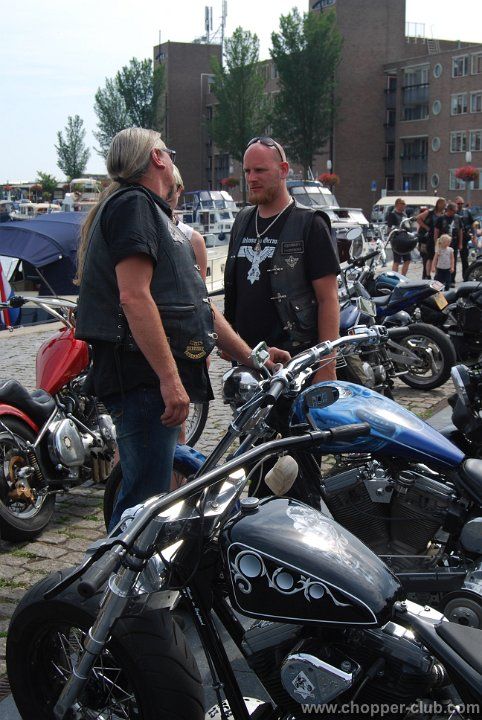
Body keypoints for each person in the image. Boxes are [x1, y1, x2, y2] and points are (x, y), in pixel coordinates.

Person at [75, 128, 289, 530]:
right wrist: (169, 379)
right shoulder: (134, 205)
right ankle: (114, 570)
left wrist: (255, 358)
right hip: (141, 381)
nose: (173, 159)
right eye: (168, 152)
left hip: (146, 382)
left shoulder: (153, 214)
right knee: (142, 503)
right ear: (157, 158)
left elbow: (199, 308)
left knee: (148, 495)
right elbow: (134, 297)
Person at [224, 136, 340, 384]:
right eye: (247, 171)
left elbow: (328, 298)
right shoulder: (242, 220)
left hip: (295, 359)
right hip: (248, 359)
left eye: (260, 170)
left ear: (283, 170)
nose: (251, 178)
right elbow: (234, 287)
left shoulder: (310, 223)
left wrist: (327, 366)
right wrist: (230, 338)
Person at [169, 165, 208, 280]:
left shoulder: (194, 240)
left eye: (169, 188)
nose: (162, 193)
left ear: (179, 190)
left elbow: (199, 288)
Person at [415, 197, 446, 280]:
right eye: (443, 204)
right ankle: (426, 276)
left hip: (439, 238)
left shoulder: (444, 214)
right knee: (427, 258)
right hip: (428, 239)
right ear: (438, 204)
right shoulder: (430, 212)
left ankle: (437, 276)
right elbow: (418, 218)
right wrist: (426, 227)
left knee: (438, 258)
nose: (445, 205)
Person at [433, 201, 462, 287]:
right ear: (449, 210)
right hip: (442, 244)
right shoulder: (441, 218)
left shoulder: (457, 218)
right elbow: (436, 231)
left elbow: (460, 231)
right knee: (440, 260)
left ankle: (451, 280)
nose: (455, 212)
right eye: (454, 211)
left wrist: (460, 243)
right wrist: (436, 244)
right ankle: (438, 280)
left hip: (454, 243)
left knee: (453, 261)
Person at [386, 198, 411, 275]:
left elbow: (408, 227)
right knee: (397, 261)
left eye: (404, 204)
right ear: (397, 205)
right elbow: (389, 229)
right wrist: (396, 231)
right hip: (397, 240)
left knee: (407, 260)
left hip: (405, 240)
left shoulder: (404, 215)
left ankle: (403, 276)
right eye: (402, 204)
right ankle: (395, 277)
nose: (404, 206)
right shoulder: (392, 215)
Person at [455, 196, 475, 280]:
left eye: (461, 203)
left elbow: (473, 223)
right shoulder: (453, 211)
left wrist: (473, 234)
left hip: (465, 237)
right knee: (453, 258)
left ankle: (466, 277)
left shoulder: (467, 212)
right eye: (458, 203)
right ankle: (451, 279)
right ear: (455, 203)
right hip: (455, 237)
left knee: (464, 259)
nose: (460, 205)